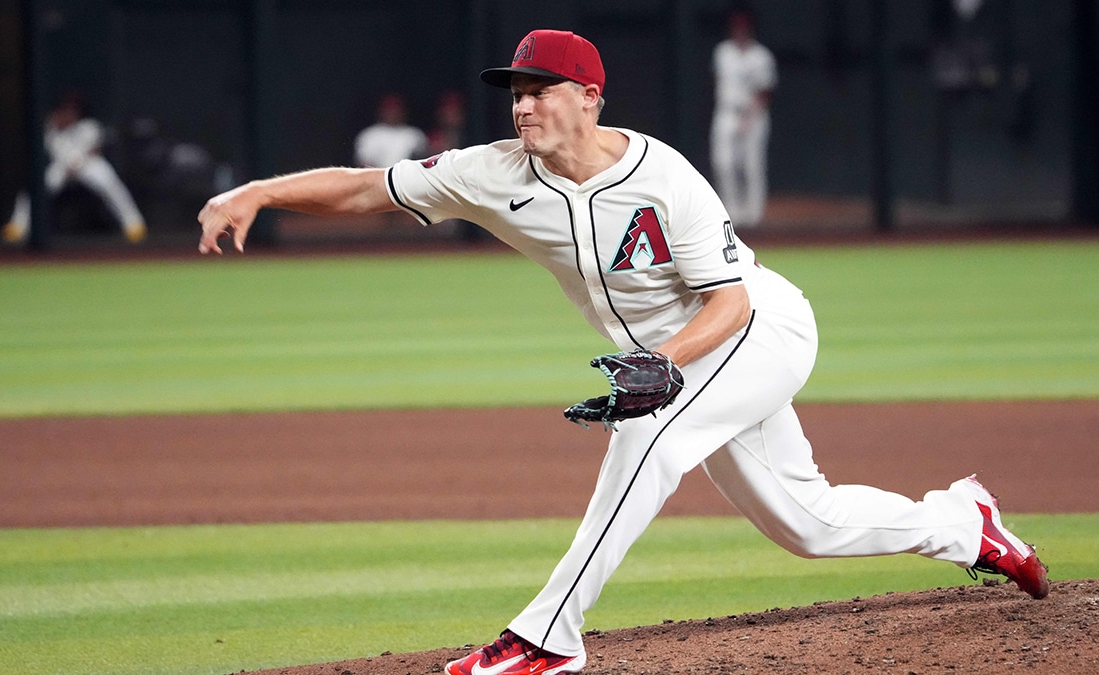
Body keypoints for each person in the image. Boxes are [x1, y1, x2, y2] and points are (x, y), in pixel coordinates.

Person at [197, 29, 1049, 675]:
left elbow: (733, 300)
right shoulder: (491, 172)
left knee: (648, 433)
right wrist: (259, 191)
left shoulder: (663, 176)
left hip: (759, 330)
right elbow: (363, 188)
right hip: (684, 361)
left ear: (589, 97)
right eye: (515, 91)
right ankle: (964, 522)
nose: (522, 104)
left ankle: (544, 639)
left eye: (540, 89)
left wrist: (665, 365)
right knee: (808, 524)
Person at [2, 92, 146, 243]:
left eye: (73, 110)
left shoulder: (89, 126)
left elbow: (94, 150)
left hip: (88, 165)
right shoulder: (52, 129)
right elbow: (53, 152)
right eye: (66, 110)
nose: (69, 113)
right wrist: (53, 126)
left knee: (110, 182)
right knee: (35, 188)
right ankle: (18, 227)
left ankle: (134, 225)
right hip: (62, 168)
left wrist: (78, 162)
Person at [710, 8, 776, 229]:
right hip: (727, 111)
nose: (739, 32)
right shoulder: (723, 52)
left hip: (753, 115)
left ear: (750, 30)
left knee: (752, 166)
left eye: (743, 28)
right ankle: (731, 213)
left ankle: (754, 217)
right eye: (736, 28)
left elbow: (764, 91)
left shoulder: (761, 55)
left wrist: (749, 118)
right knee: (723, 163)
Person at [353, 93, 429, 169]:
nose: (392, 113)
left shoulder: (414, 134)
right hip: (378, 177)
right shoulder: (369, 135)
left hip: (407, 177)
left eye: (396, 110)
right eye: (389, 110)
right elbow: (363, 164)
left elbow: (422, 164)